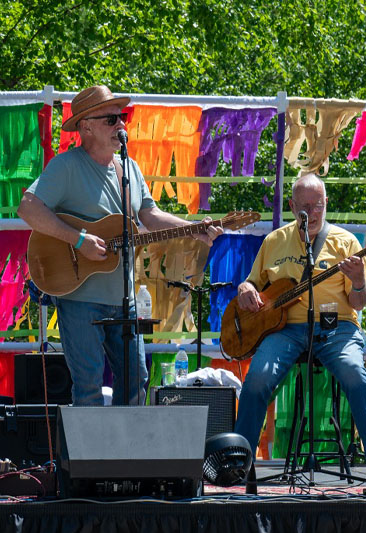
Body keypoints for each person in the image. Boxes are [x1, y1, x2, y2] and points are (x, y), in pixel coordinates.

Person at [17, 85, 222, 406]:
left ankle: (127, 456)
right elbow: (28, 207)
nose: (121, 126)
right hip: (79, 297)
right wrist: (79, 240)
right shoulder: (66, 166)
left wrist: (194, 229)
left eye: (122, 117)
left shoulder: (129, 169)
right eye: (111, 119)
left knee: (136, 380)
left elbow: (150, 216)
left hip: (124, 298)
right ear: (85, 126)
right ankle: (89, 458)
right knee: (88, 385)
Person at [233, 173, 366, 476]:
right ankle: (239, 461)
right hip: (284, 329)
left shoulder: (347, 242)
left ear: (326, 203)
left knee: (354, 372)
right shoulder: (274, 241)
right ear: (293, 207)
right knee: (257, 377)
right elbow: (252, 283)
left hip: (338, 328)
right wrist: (244, 289)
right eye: (305, 206)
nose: (313, 212)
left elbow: (359, 303)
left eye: (318, 205)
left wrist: (359, 280)